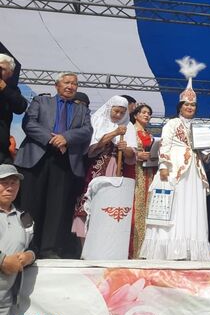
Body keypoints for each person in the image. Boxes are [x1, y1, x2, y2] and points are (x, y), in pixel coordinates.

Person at [15, 72, 92, 258]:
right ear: (57, 85)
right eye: (67, 82)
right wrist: (52, 140)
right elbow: (29, 123)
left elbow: (87, 130)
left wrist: (66, 138)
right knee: (31, 202)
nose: (70, 86)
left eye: (74, 84)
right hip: (37, 158)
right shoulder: (41, 102)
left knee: (58, 206)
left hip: (65, 160)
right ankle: (28, 246)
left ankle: (50, 249)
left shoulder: (82, 109)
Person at [140, 83, 210, 261]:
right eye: (186, 104)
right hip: (175, 167)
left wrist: (208, 150)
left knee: (192, 206)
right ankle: (170, 248)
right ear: (180, 106)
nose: (190, 107)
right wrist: (163, 165)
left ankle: (188, 249)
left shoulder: (198, 127)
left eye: (193, 105)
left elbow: (204, 150)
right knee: (175, 206)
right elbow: (165, 144)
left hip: (194, 169)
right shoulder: (172, 123)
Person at [71, 96, 137, 241]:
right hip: (95, 168)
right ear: (109, 108)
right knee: (89, 204)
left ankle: (105, 242)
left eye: (122, 113)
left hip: (117, 170)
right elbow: (92, 148)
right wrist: (114, 133)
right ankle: (84, 245)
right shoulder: (97, 121)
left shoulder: (128, 126)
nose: (118, 115)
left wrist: (125, 148)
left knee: (110, 205)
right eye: (116, 111)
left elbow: (131, 154)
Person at [0, 165, 35, 315]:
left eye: (14, 183)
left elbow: (34, 246)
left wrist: (29, 256)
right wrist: (2, 260)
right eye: (4, 182)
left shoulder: (24, 217)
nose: (9, 187)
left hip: (4, 301)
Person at [130, 103, 156, 258]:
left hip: (149, 173)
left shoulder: (149, 134)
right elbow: (122, 150)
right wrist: (137, 155)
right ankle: (133, 250)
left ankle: (145, 251)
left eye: (149, 113)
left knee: (148, 211)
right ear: (135, 115)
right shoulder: (129, 131)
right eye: (144, 112)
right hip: (135, 172)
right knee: (135, 209)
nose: (147, 115)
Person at [0, 54, 28, 164]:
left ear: (10, 73)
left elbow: (20, 107)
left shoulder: (11, 90)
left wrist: (5, 88)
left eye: (2, 68)